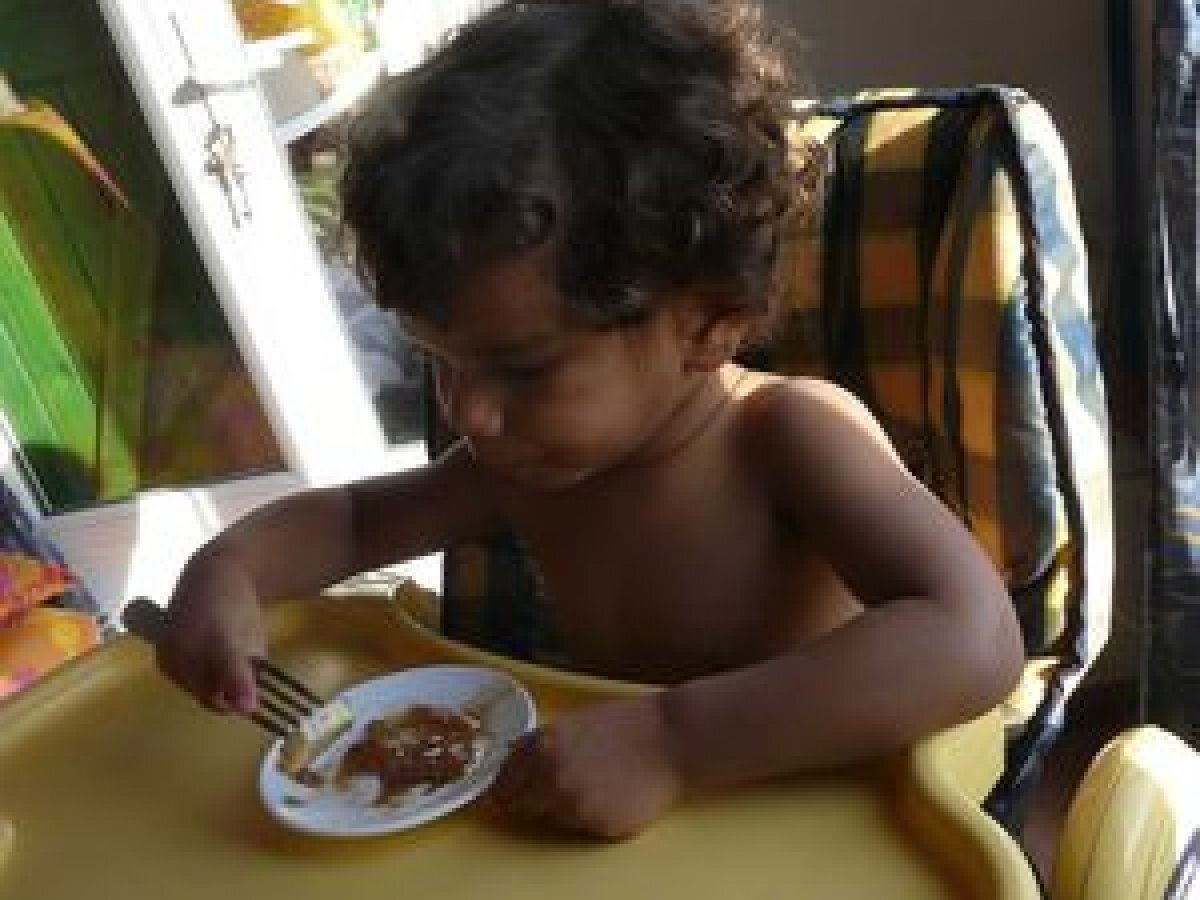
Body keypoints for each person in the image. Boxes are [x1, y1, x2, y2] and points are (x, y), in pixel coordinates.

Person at [154, 0, 1024, 839]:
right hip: (616, 832)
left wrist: (673, 744)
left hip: (811, 828)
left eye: (524, 368)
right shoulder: (528, 461)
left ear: (709, 320)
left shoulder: (787, 437)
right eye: (439, 361)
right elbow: (354, 521)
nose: (469, 411)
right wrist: (231, 568)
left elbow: (972, 636)